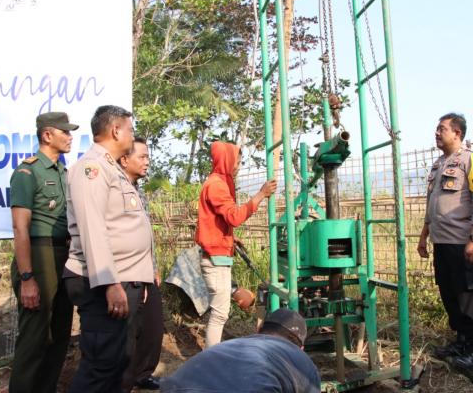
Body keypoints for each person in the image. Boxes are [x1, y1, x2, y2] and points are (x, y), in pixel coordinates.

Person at [63, 105, 154, 393]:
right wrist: (110, 282)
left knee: (117, 360)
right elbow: (93, 228)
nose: (132, 134)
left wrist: (141, 276)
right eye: (130, 128)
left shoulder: (112, 169)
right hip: (104, 281)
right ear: (116, 130)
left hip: (123, 278)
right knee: (101, 365)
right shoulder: (92, 168)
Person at [8, 112, 78, 393]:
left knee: (60, 335)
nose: (70, 136)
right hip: (38, 256)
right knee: (35, 338)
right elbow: (20, 228)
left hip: (63, 255)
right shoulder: (27, 172)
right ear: (47, 135)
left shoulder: (64, 172)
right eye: (65, 132)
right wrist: (27, 277)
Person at [417, 113, 473, 370]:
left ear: (457, 132)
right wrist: (424, 235)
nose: (437, 133)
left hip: (463, 242)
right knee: (450, 293)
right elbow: (432, 203)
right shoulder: (438, 165)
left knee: (470, 297)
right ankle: (460, 342)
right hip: (442, 242)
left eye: (442, 129)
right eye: (437, 129)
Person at [194, 141, 277, 348]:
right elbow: (234, 217)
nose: (238, 166)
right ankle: (213, 358)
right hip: (215, 259)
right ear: (226, 160)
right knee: (220, 313)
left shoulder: (220, 182)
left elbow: (216, 222)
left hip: (218, 254)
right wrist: (261, 194)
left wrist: (230, 238)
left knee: (220, 311)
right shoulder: (216, 185)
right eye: (236, 161)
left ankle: (213, 354)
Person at [160, 308, 321, 393]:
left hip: (176, 387)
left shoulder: (228, 346)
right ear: (301, 348)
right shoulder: (301, 361)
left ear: (258, 330)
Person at [118, 137, 163, 392]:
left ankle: (142, 373)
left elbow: (146, 235)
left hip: (146, 269)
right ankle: (124, 380)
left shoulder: (140, 191)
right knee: (127, 331)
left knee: (153, 327)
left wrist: (153, 266)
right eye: (142, 157)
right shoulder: (115, 189)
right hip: (127, 271)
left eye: (147, 156)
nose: (147, 161)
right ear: (125, 160)